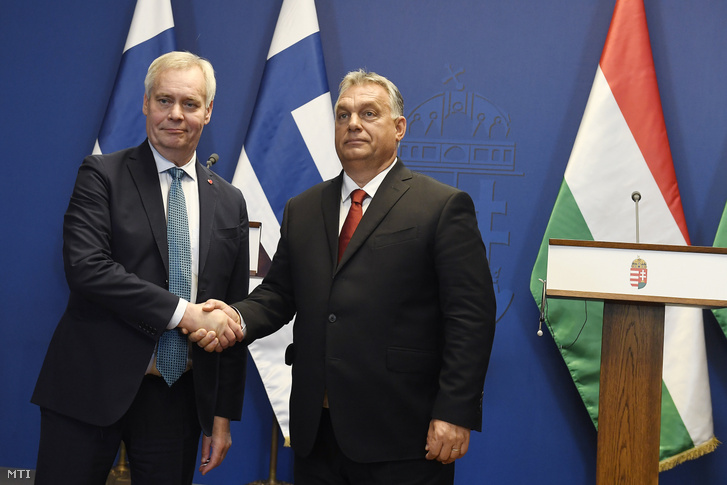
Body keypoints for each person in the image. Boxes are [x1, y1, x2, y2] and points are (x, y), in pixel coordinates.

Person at [199, 69, 496, 484]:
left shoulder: (441, 207)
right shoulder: (302, 208)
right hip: (316, 434)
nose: (353, 123)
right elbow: (279, 295)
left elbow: (471, 318)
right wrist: (233, 318)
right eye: (343, 115)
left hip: (403, 436)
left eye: (368, 113)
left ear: (399, 128)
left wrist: (454, 411)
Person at [32, 51, 249, 485]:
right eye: (164, 100)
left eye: (189, 104)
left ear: (207, 111)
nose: (175, 114)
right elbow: (87, 268)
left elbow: (234, 309)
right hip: (89, 387)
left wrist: (221, 415)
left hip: (177, 398)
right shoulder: (102, 175)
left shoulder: (230, 200)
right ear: (146, 103)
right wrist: (185, 313)